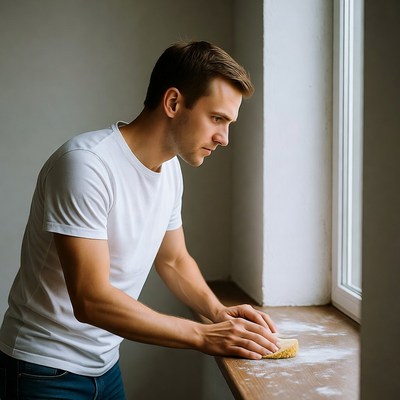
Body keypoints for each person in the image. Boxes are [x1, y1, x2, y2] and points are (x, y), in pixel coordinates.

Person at [0, 41, 279, 399]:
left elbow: (174, 259)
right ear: (174, 103)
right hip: (41, 372)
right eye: (217, 119)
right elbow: (91, 299)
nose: (224, 139)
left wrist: (218, 312)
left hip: (106, 367)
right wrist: (203, 336)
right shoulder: (86, 165)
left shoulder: (171, 170)